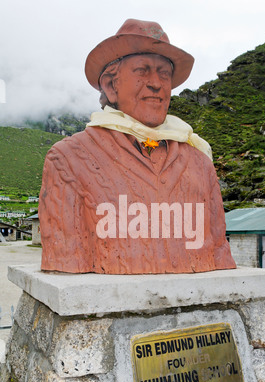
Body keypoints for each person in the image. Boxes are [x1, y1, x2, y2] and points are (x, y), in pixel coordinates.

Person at [39, 19, 236, 274]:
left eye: (164, 73)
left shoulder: (199, 161)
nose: (156, 83)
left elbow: (219, 252)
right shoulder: (67, 159)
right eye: (142, 71)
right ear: (111, 86)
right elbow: (65, 261)